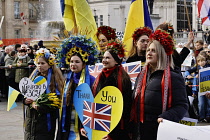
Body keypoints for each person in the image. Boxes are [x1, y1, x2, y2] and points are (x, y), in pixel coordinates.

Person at [130, 29, 188, 140]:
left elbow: (182, 105)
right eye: (148, 50)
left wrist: (166, 117)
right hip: (139, 130)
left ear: (161, 54)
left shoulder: (174, 77)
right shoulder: (141, 75)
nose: (149, 53)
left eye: (153, 51)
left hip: (159, 131)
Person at [86, 41, 132, 140]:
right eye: (103, 58)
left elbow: (123, 108)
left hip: (116, 130)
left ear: (116, 61)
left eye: (108, 58)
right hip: (99, 126)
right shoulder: (99, 77)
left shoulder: (123, 79)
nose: (104, 60)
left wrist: (112, 134)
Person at [57, 35, 98, 140]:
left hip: (83, 123)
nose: (73, 64)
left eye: (77, 62)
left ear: (84, 64)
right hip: (68, 121)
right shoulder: (67, 79)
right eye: (71, 61)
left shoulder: (92, 81)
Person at [23, 48, 64, 140]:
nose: (39, 66)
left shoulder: (55, 80)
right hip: (31, 121)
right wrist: (25, 100)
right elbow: (24, 94)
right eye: (38, 63)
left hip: (44, 123)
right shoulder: (34, 77)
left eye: (42, 63)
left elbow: (56, 103)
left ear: (49, 64)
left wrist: (40, 106)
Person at [185, 55, 210, 122]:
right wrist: (189, 75)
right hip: (200, 89)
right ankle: (201, 117)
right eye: (200, 61)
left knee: (208, 103)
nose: (202, 62)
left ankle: (208, 116)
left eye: (203, 61)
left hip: (208, 88)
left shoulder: (208, 67)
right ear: (197, 62)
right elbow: (187, 71)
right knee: (201, 104)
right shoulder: (196, 68)